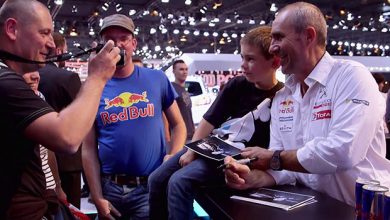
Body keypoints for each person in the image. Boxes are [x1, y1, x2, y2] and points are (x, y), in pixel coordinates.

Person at [224, 1, 390, 207]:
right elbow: (284, 164)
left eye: (278, 37)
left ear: (308, 36)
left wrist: (274, 158)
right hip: (314, 207)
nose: (272, 47)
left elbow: (343, 151)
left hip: (364, 209)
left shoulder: (351, 77)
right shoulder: (282, 97)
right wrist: (252, 177)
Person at [148, 25, 284, 220]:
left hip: (234, 160)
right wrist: (191, 151)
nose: (243, 65)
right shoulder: (236, 85)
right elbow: (208, 121)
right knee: (156, 179)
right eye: (243, 58)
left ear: (275, 62)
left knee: (179, 182)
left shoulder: (283, 97)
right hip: (209, 147)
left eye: (251, 59)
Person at [0, 0, 120, 219]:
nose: (51, 45)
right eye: (44, 33)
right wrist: (97, 77)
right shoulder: (5, 82)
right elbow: (67, 137)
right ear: (11, 29)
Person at [82, 14, 186, 219]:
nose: (118, 44)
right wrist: (96, 195)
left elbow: (179, 125)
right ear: (102, 45)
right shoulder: (94, 87)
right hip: (110, 189)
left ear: (133, 43)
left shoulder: (156, 79)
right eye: (110, 39)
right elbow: (88, 148)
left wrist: (173, 155)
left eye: (123, 38)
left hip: (149, 187)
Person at [39, 32, 83, 208]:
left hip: (36, 160)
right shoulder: (68, 78)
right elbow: (82, 118)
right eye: (65, 50)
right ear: (58, 50)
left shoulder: (27, 75)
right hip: (67, 160)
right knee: (70, 211)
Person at [171, 59, 195, 141]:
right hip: (179, 137)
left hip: (190, 135)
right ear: (174, 71)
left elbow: (188, 113)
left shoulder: (184, 90)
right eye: (181, 69)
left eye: (186, 69)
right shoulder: (171, 89)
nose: (184, 72)